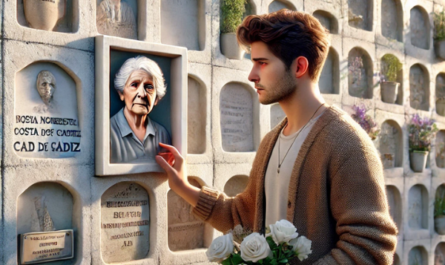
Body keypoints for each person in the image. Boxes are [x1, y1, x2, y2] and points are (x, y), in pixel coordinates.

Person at [156, 10, 398, 264]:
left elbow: (369, 245)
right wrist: (183, 187)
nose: (251, 75)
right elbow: (244, 218)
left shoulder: (347, 144)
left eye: (263, 63)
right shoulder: (271, 142)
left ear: (300, 66)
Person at [110, 56, 171, 163]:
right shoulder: (107, 132)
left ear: (156, 98)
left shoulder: (162, 134)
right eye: (134, 85)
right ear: (121, 93)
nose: (142, 94)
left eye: (149, 87)